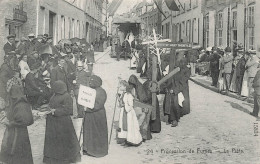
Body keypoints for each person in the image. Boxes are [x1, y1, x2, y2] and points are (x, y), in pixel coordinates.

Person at [43, 80, 81, 164]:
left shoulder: (66, 96)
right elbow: (51, 104)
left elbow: (68, 110)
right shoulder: (55, 95)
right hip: (53, 123)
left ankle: (64, 159)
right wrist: (48, 109)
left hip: (63, 123)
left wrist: (55, 111)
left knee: (63, 141)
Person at [0, 85, 34, 164]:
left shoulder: (21, 105)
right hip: (14, 131)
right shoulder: (16, 103)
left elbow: (24, 121)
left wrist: (10, 123)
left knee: (18, 150)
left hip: (19, 132)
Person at [83, 75, 108, 157]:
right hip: (90, 116)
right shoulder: (91, 90)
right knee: (89, 131)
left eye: (92, 81)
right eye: (89, 81)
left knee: (97, 132)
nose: (90, 82)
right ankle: (88, 149)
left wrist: (88, 109)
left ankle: (97, 151)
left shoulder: (101, 91)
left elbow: (98, 104)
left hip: (97, 115)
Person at [128, 75, 152, 140]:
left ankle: (143, 135)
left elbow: (143, 98)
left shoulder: (140, 88)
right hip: (135, 107)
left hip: (142, 106)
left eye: (132, 84)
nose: (131, 85)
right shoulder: (131, 88)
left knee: (143, 119)